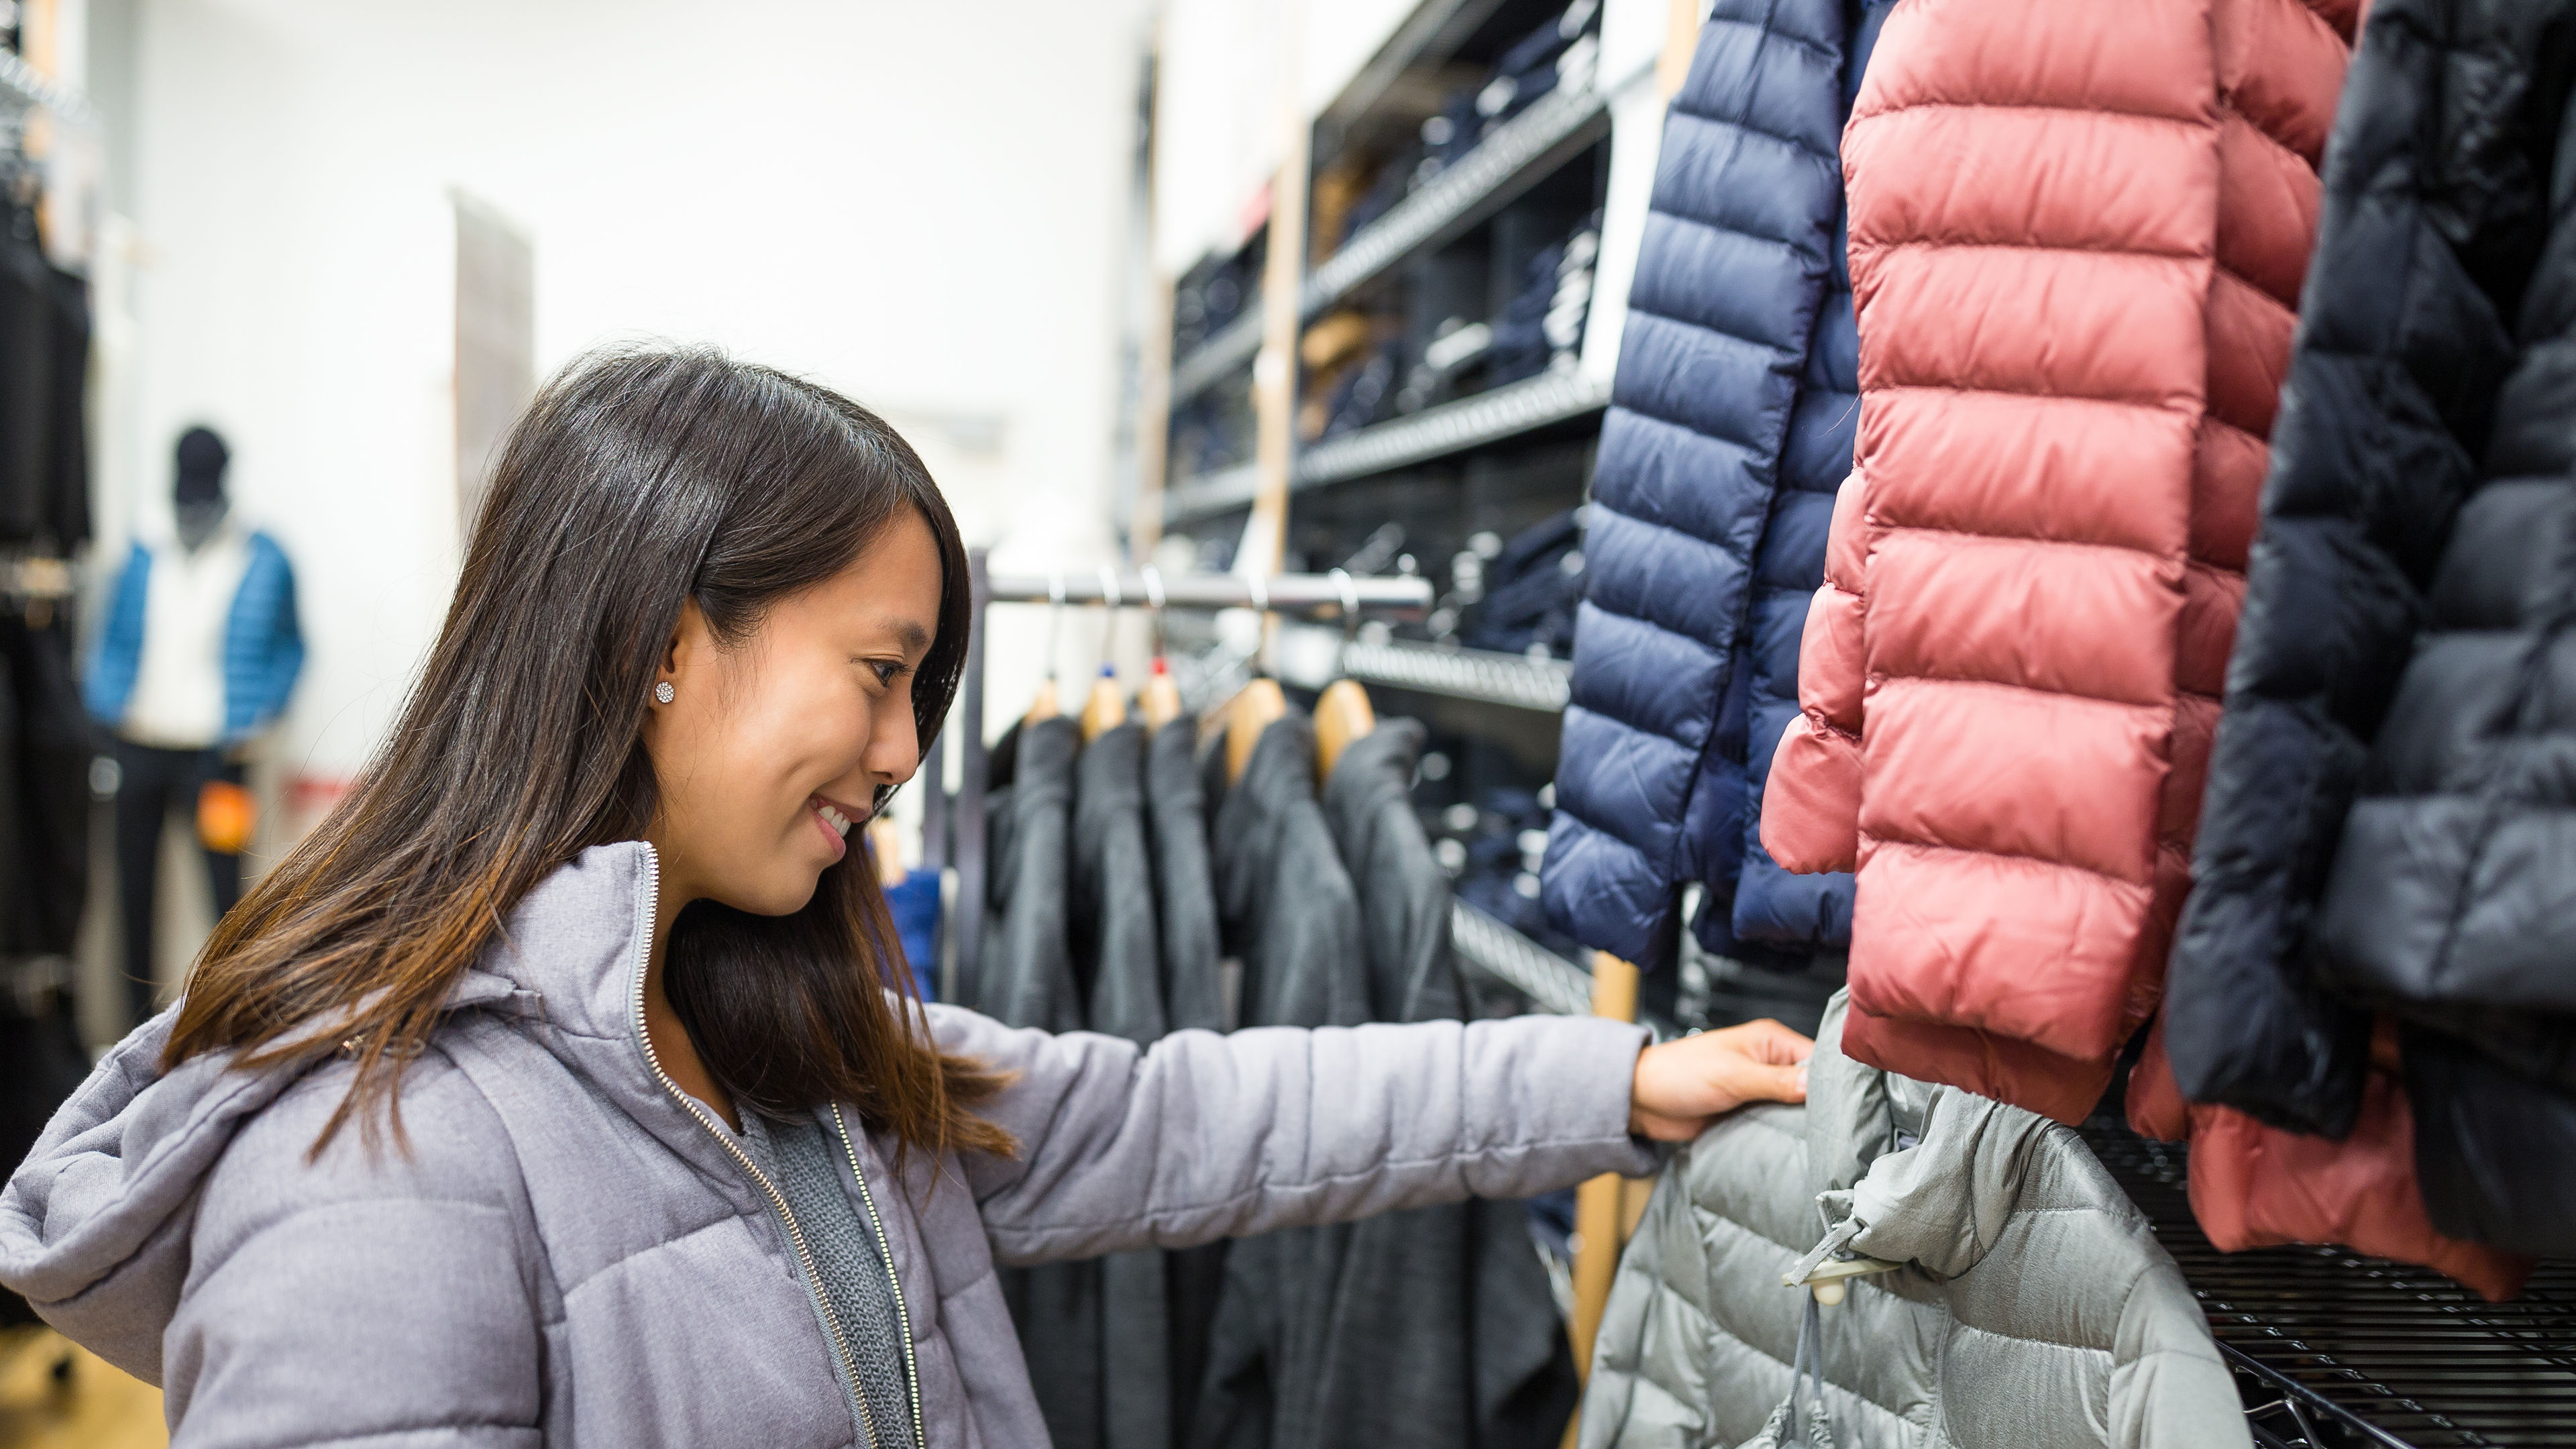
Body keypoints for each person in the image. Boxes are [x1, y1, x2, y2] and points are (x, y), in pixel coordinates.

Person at [0, 347, 1808, 1448]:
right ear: (658, 643)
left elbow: (1198, 1118)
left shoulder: (777, 1046)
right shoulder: (369, 1163)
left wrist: (1612, 1085)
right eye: (878, 673)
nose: (898, 752)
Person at [83, 425, 305, 1029]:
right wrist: (104, 705)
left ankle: (226, 1028)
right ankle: (131, 1036)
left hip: (218, 758)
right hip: (138, 746)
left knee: (226, 896)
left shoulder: (263, 556)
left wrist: (261, 711)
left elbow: (291, 648)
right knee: (132, 894)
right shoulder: (141, 548)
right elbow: (112, 638)